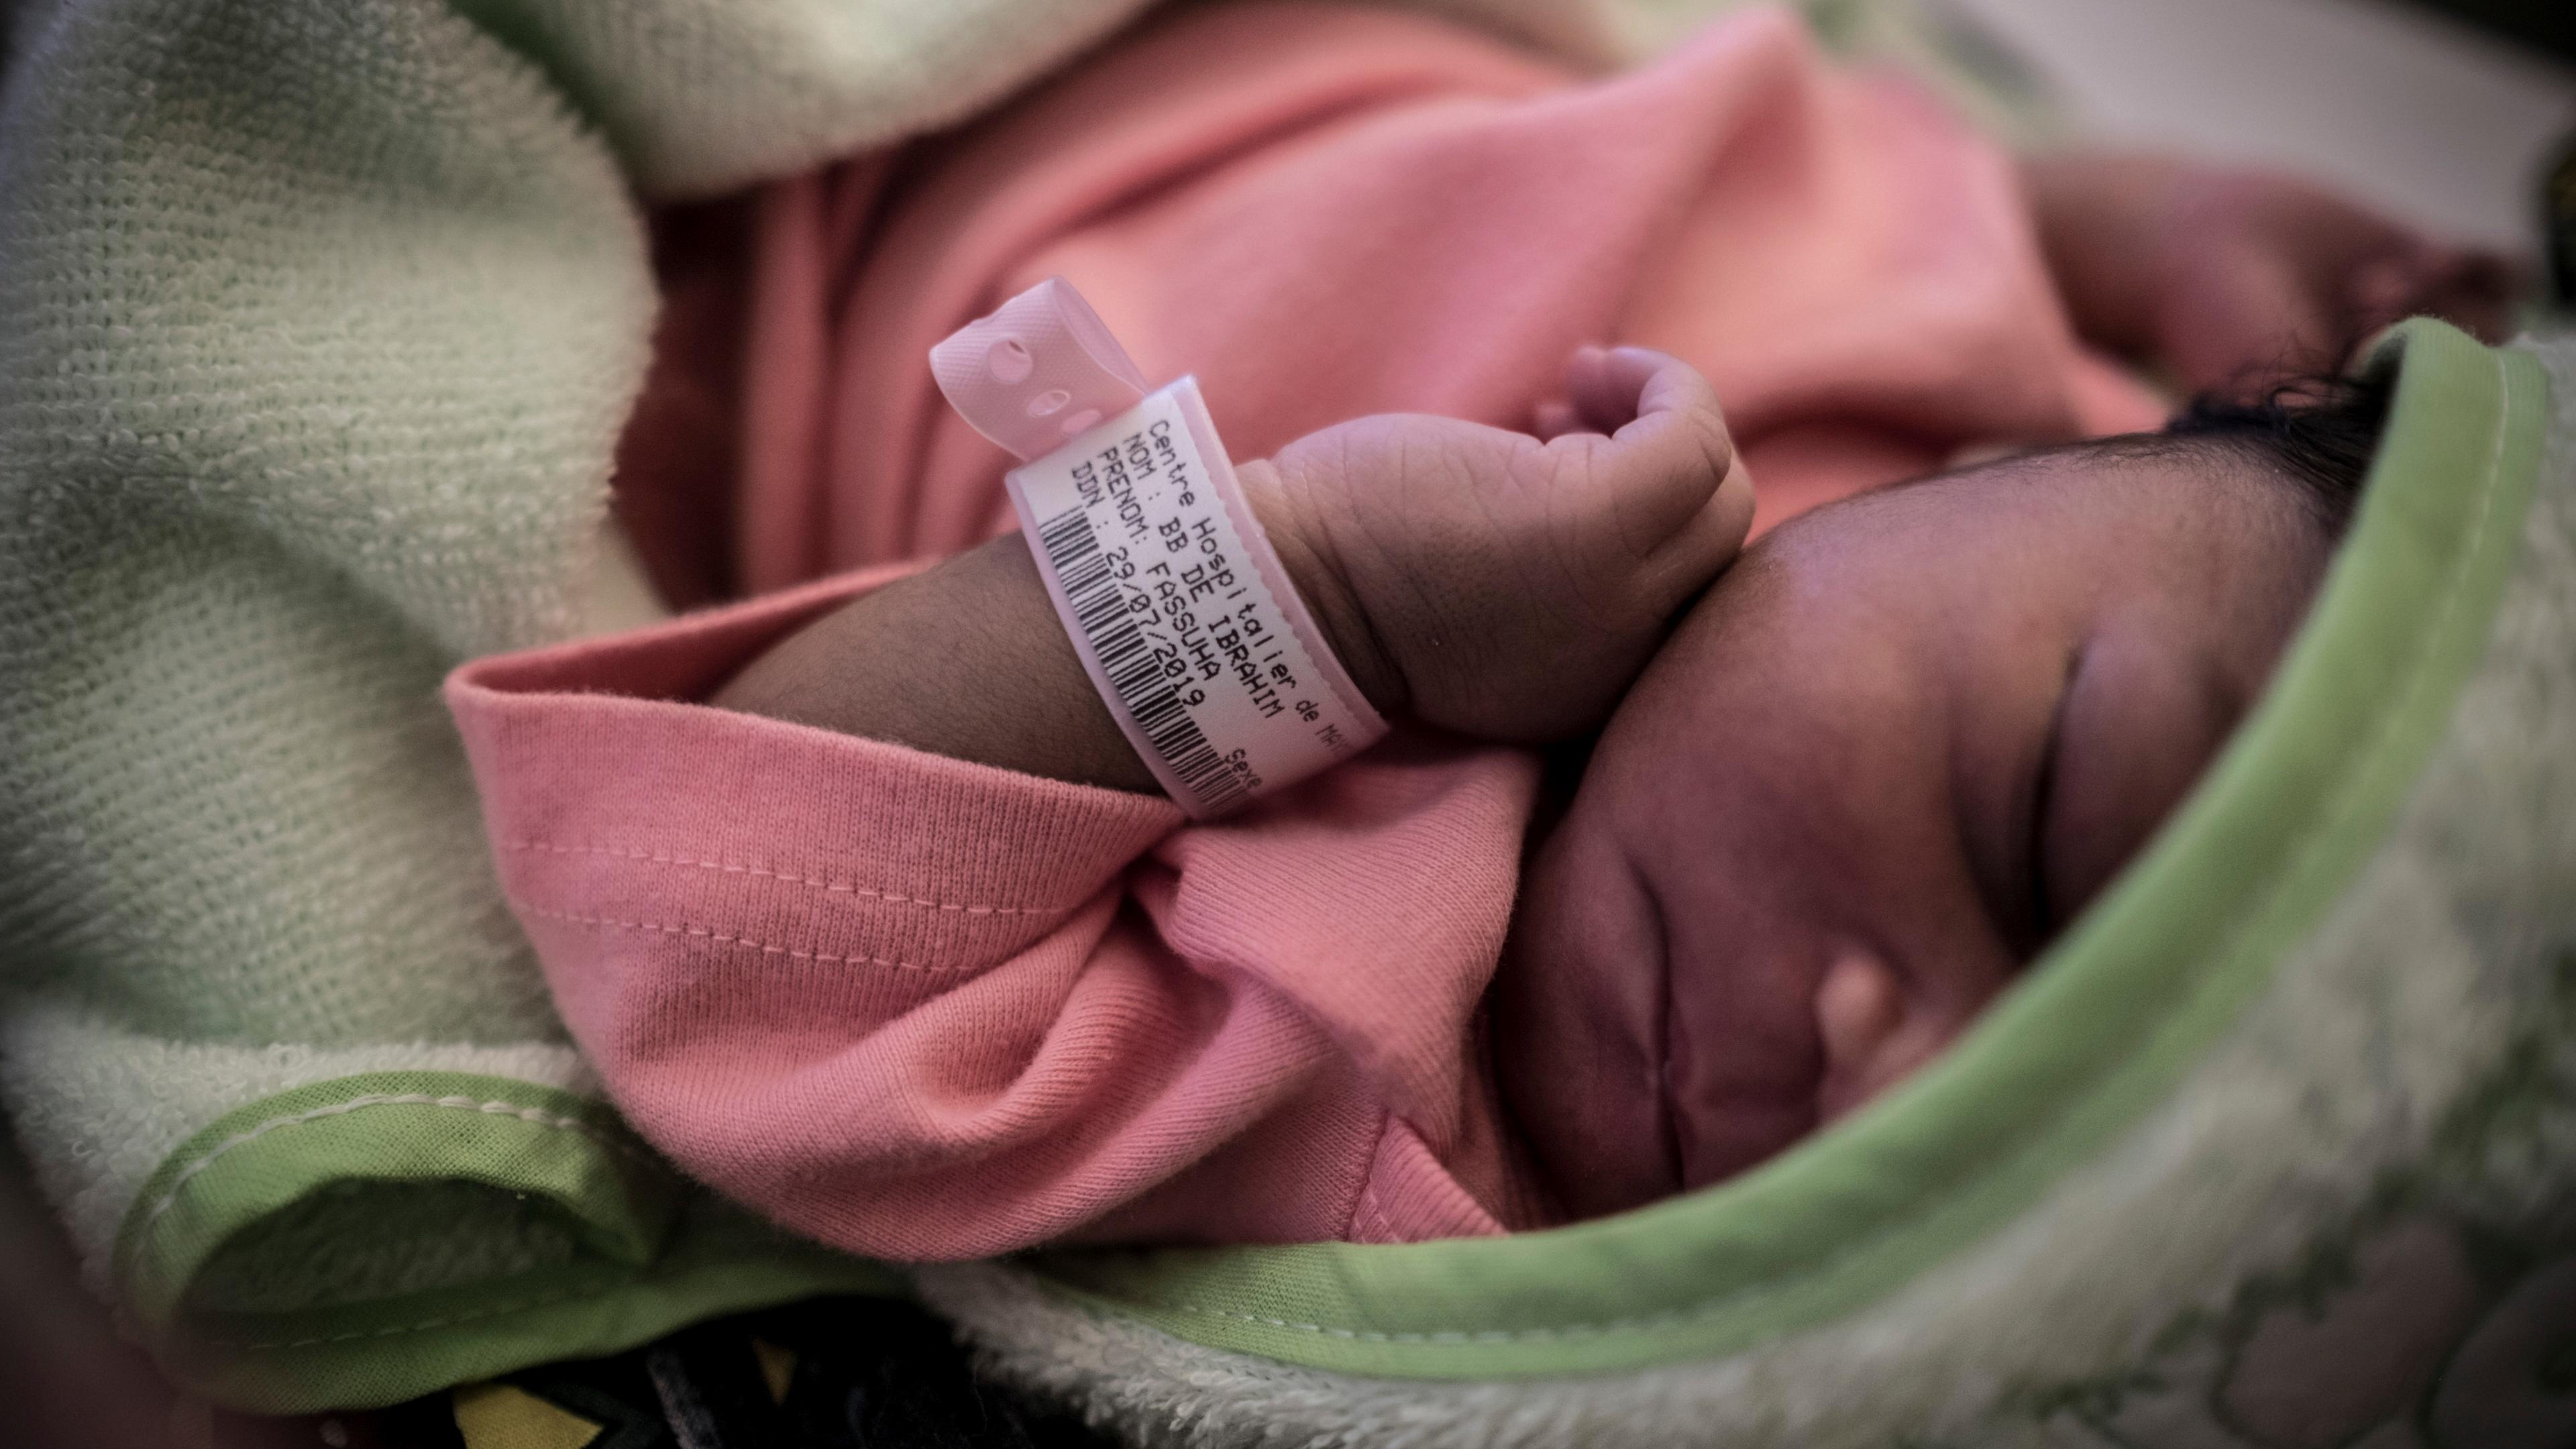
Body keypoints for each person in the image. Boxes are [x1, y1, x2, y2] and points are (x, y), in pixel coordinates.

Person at [446, 3, 2510, 1258]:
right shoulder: (2044, 442)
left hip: (825, 189)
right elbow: (1915, 169)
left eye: (2032, 1178)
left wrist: (1321, 604)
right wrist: (2151, 226)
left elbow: (722, 897)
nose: (1890, 1082)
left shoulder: (1380, 1071)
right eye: (2033, 826)